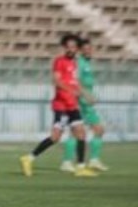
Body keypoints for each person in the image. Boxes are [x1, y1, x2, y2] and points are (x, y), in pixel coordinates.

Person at [19, 34, 97, 178]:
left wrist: (86, 95)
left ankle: (80, 167)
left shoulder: (74, 64)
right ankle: (28, 158)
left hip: (72, 105)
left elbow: (75, 82)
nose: (70, 49)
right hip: (61, 106)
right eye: (68, 47)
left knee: (81, 134)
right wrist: (71, 91)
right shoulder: (59, 61)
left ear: (77, 49)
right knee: (55, 137)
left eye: (73, 47)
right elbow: (57, 81)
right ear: (64, 47)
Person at [61, 37, 108, 172]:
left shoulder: (86, 63)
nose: (88, 51)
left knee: (98, 130)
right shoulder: (79, 64)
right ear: (80, 51)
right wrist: (85, 96)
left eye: (90, 48)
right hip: (81, 103)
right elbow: (75, 81)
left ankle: (93, 160)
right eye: (85, 49)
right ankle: (67, 162)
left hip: (86, 103)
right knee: (77, 133)